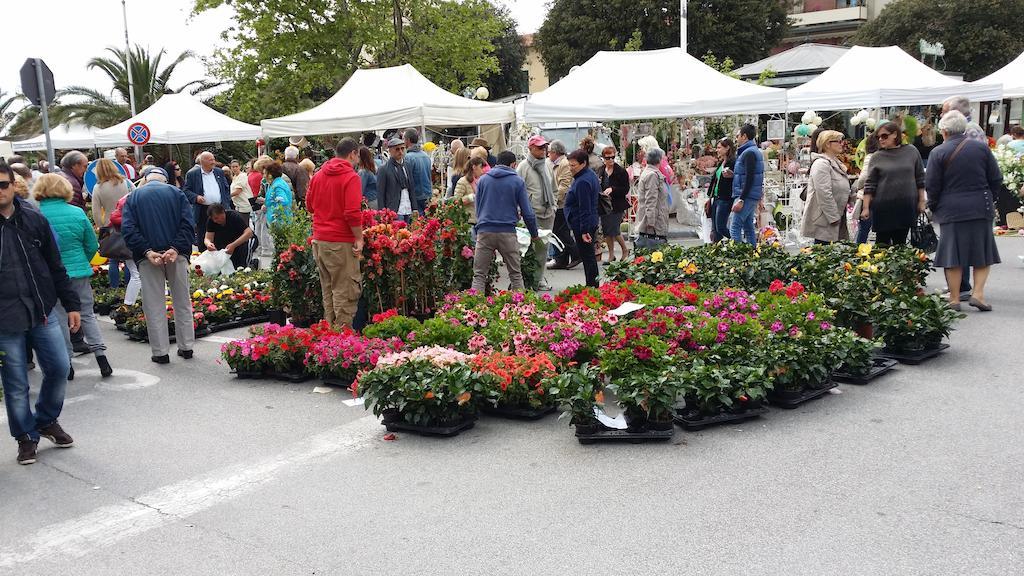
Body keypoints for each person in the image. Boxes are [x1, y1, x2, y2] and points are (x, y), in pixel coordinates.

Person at [0, 161, 82, 465]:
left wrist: (71, 304)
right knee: (16, 382)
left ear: (13, 185)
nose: (0, 191)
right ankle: (26, 436)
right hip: (5, 319)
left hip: (41, 311)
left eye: (3, 184)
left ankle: (46, 419)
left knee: (60, 367)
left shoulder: (34, 219)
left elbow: (55, 265)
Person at [35, 174, 112, 380]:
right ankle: (101, 357)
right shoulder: (77, 213)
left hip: (51, 276)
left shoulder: (36, 215)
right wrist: (82, 261)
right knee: (86, 313)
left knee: (59, 317)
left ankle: (67, 363)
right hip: (78, 272)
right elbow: (91, 245)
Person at [926, 110, 1002, 312]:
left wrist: (933, 206)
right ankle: (978, 294)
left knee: (952, 254)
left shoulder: (938, 152)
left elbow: (932, 185)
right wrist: (988, 197)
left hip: (951, 208)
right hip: (980, 205)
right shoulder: (981, 148)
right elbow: (996, 178)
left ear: (943, 131)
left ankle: (954, 298)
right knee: (982, 252)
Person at [121, 168, 196, 364]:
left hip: (148, 257)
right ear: (165, 179)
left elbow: (128, 229)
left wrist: (146, 251)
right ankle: (186, 347)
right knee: (182, 300)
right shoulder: (177, 193)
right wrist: (176, 249)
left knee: (154, 304)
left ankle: (160, 352)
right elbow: (188, 224)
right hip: (176, 255)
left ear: (145, 179)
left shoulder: (134, 196)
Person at [306, 138, 364, 329]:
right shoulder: (351, 177)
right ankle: (341, 341)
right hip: (341, 241)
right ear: (352, 153)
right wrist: (359, 238)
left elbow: (310, 206)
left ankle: (329, 338)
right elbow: (352, 213)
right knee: (345, 292)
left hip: (320, 240)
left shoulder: (318, 175)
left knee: (328, 291)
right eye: (357, 156)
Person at [471, 150, 538, 292]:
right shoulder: (517, 181)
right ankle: (520, 309)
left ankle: (473, 308)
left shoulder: (483, 180)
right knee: (515, 274)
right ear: (513, 164)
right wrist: (534, 233)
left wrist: (480, 226)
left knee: (479, 275)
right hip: (508, 231)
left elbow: (478, 207)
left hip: (485, 231)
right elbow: (527, 212)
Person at [862, 121, 925, 245]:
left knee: (900, 244)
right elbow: (870, 184)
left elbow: (920, 178)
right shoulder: (877, 156)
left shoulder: (911, 151)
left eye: (884, 136)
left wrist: (922, 201)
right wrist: (865, 208)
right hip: (883, 207)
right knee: (882, 245)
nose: (881, 139)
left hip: (906, 206)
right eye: (878, 137)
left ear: (895, 134)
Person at [517, 135, 557, 291]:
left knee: (543, 249)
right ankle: (528, 280)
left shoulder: (547, 165)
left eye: (544, 147)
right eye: (540, 147)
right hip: (532, 214)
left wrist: (553, 205)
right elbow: (518, 191)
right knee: (529, 249)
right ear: (530, 148)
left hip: (548, 213)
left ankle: (539, 279)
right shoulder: (523, 167)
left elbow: (553, 187)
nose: (543, 150)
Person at [801, 130, 852, 244]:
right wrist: (834, 217)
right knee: (824, 254)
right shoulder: (821, 164)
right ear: (827, 144)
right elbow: (824, 193)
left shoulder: (835, 162)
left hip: (836, 217)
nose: (842, 144)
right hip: (825, 220)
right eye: (838, 141)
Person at [91, 158, 133, 289]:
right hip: (128, 223)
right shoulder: (126, 183)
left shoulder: (98, 187)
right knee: (128, 259)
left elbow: (96, 211)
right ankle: (128, 287)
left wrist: (100, 225)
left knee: (113, 260)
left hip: (110, 226)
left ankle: (114, 288)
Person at [564, 149, 601, 287]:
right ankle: (592, 284)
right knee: (589, 256)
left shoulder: (583, 181)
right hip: (586, 221)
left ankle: (592, 286)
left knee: (588, 257)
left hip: (582, 223)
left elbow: (584, 207)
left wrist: (584, 231)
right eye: (569, 165)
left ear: (583, 163)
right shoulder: (588, 175)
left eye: (573, 165)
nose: (570, 168)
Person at [183, 151, 231, 251]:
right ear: (202, 161)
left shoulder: (219, 172)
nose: (213, 162)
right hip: (203, 210)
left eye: (213, 159)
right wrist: (196, 197)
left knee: (221, 233)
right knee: (203, 235)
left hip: (220, 208)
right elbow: (186, 191)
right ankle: (204, 259)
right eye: (210, 160)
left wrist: (226, 201)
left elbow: (226, 188)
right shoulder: (192, 174)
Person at [546, 140, 580, 270]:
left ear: (555, 152)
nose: (548, 154)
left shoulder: (564, 164)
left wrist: (553, 201)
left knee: (561, 232)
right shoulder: (556, 163)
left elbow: (563, 186)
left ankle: (576, 254)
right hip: (559, 203)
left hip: (562, 204)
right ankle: (562, 259)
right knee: (558, 232)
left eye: (550, 152)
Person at [729, 124, 765, 244]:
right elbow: (748, 175)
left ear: (744, 136)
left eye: (738, 135)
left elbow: (750, 177)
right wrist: (733, 174)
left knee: (735, 227)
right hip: (750, 194)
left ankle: (738, 256)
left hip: (746, 195)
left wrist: (742, 199)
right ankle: (752, 253)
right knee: (748, 226)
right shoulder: (751, 151)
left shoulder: (749, 153)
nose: (736, 138)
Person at [108, 191, 142, 306]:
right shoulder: (134, 202)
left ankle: (130, 303)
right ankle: (128, 304)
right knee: (136, 275)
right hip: (131, 244)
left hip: (128, 244)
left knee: (136, 274)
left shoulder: (126, 201)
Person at [597, 145, 630, 263]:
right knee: (607, 231)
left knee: (614, 230)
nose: (610, 160)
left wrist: (613, 189)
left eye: (612, 157)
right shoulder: (600, 170)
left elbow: (626, 189)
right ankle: (611, 255)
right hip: (604, 205)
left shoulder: (621, 171)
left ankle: (625, 249)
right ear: (603, 158)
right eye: (608, 158)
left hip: (617, 205)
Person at [377, 137, 420, 222]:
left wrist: (415, 208)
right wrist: (382, 212)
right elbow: (380, 193)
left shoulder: (407, 165)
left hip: (408, 208)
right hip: (394, 210)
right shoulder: (384, 169)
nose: (400, 152)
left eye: (402, 148)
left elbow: (411, 188)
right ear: (390, 151)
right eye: (397, 149)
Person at [635, 147, 669, 250]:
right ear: (659, 160)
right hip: (654, 222)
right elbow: (651, 200)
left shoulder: (649, 172)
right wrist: (651, 222)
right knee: (654, 250)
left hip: (654, 218)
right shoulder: (652, 176)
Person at [204, 203, 255, 270]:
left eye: (216, 218)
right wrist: (208, 244)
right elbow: (208, 238)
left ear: (222, 213)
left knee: (242, 265)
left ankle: (251, 265)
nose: (215, 221)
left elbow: (249, 233)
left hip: (243, 241)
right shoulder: (211, 221)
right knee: (230, 266)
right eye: (213, 219)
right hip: (227, 243)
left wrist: (233, 245)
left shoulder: (234, 216)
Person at [852, 133, 880, 244]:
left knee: (864, 228)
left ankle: (859, 250)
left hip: (870, 197)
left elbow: (863, 178)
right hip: (877, 196)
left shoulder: (870, 157)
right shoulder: (879, 156)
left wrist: (859, 186)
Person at [708, 138, 736, 241]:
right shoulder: (721, 163)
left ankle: (738, 241)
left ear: (727, 148)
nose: (717, 150)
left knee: (721, 227)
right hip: (716, 197)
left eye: (719, 147)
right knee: (715, 229)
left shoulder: (733, 162)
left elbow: (737, 178)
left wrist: (732, 175)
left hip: (725, 198)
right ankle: (716, 250)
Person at [404, 129, 433, 208]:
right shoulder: (426, 155)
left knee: (417, 219)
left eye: (404, 139)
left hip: (416, 195)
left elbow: (407, 179)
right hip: (428, 193)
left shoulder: (408, 157)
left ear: (408, 140)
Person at [454, 156, 486, 228]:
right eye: (481, 167)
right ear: (474, 167)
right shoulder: (463, 181)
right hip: (468, 221)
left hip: (479, 220)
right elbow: (456, 201)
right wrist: (471, 197)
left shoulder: (480, 181)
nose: (482, 171)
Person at [263, 162, 294, 227]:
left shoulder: (278, 186)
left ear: (270, 175)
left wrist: (273, 213)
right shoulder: (276, 183)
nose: (264, 176)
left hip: (279, 223)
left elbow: (283, 202)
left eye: (265, 173)